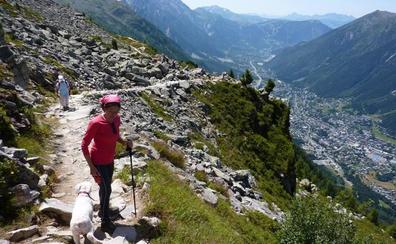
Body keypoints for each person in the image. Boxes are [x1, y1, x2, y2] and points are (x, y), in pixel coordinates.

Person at [81, 94, 132, 233]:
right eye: (110, 112)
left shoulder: (116, 119)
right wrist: (91, 167)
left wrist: (125, 143)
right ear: (104, 109)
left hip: (110, 159)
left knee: (105, 187)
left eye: (116, 112)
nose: (113, 115)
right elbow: (84, 145)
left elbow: (115, 135)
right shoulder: (96, 122)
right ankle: (105, 222)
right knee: (107, 189)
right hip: (98, 161)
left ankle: (103, 210)